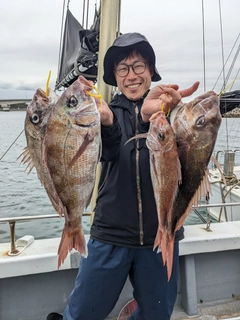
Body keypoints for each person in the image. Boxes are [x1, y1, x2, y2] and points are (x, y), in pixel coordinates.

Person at [47, 32, 199, 320]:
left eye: (139, 66)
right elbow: (107, 152)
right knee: (82, 314)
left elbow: (190, 160)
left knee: (157, 315)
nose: (132, 76)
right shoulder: (100, 113)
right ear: (114, 76)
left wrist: (173, 113)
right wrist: (107, 123)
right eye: (123, 68)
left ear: (151, 71)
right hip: (110, 234)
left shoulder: (167, 113)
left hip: (160, 236)